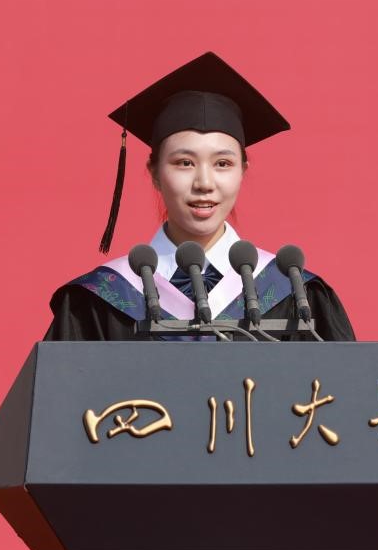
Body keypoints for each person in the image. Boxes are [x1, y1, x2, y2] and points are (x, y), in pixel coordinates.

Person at [43, 52, 355, 341]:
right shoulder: (101, 300)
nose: (204, 183)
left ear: (243, 170)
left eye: (223, 164)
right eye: (184, 163)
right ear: (154, 172)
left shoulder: (295, 294)